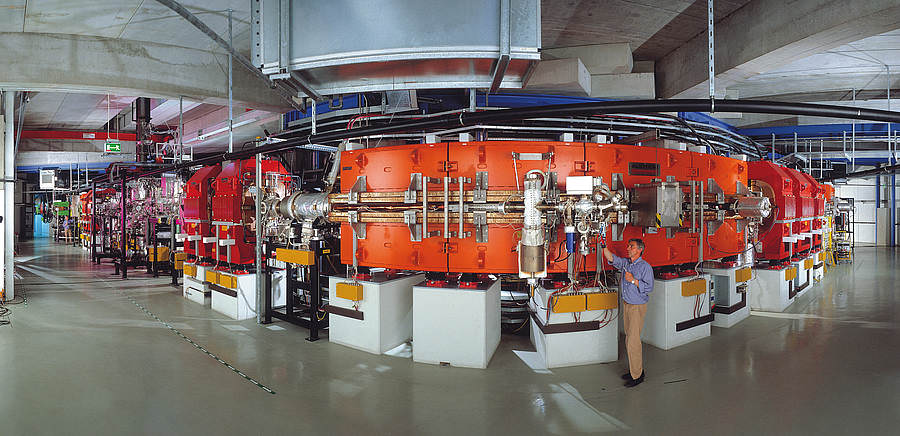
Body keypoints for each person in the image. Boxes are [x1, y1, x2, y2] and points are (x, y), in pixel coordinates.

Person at [602, 238, 654, 387]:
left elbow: (649, 287)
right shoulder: (626, 263)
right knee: (628, 339)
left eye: (631, 246)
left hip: (637, 306)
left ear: (639, 250)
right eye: (628, 246)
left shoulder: (645, 267)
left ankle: (637, 376)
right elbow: (612, 258)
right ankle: (634, 370)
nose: (628, 248)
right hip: (627, 304)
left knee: (633, 341)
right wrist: (603, 245)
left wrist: (632, 280)